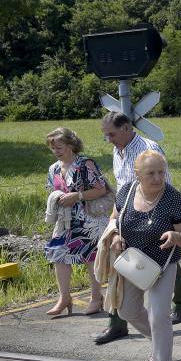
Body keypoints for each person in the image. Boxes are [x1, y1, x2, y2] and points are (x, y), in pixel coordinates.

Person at [96, 112, 181, 345]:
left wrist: (165, 220)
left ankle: (180, 306)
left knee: (166, 262)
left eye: (112, 134)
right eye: (106, 135)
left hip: (157, 215)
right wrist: (115, 225)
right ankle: (117, 324)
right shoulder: (118, 150)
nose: (109, 139)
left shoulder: (149, 148)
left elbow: (163, 184)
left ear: (127, 128)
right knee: (128, 276)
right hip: (129, 217)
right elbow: (122, 190)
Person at [110, 150, 181, 361]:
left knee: (159, 315)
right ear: (138, 175)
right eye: (151, 173)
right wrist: (115, 236)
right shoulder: (125, 193)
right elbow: (114, 220)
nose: (158, 178)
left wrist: (176, 236)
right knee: (126, 311)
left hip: (163, 265)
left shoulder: (173, 197)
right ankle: (161, 343)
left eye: (161, 172)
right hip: (134, 263)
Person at [44, 127, 110, 316]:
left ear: (71, 145)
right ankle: (64, 298)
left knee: (91, 258)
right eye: (53, 148)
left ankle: (96, 298)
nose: (56, 151)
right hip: (65, 220)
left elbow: (101, 189)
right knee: (58, 254)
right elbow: (53, 190)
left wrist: (78, 195)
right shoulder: (53, 168)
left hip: (88, 218)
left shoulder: (85, 164)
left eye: (60, 147)